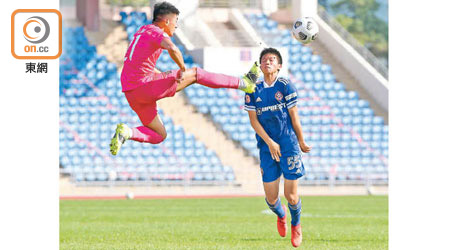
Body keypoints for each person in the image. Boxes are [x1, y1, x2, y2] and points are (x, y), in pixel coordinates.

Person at [110, 1, 260, 155]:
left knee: (159, 134)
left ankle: (128, 132)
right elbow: (172, 48)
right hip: (143, 87)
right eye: (175, 22)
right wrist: (182, 69)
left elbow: (137, 62)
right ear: (166, 21)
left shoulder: (142, 31)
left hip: (131, 93)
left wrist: (157, 73)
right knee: (196, 73)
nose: (176, 26)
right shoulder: (157, 32)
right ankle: (244, 83)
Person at [244, 48, 311, 248]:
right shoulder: (252, 88)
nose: (267, 62)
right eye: (264, 60)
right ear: (260, 65)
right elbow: (253, 121)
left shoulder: (286, 85)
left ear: (279, 65)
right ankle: (281, 215)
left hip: (288, 144)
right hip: (266, 147)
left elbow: (294, 117)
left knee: (291, 195)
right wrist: (270, 142)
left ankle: (296, 224)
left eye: (272, 59)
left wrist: (301, 140)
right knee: (271, 198)